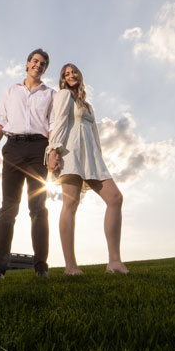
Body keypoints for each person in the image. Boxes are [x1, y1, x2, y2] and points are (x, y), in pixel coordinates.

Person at [46, 63, 128, 275]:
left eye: (74, 72)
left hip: (91, 158)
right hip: (71, 154)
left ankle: (114, 262)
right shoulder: (64, 95)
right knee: (70, 204)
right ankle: (70, 266)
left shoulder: (87, 105)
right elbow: (60, 123)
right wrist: (53, 151)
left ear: (80, 75)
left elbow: (94, 135)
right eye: (66, 73)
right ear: (63, 79)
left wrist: (99, 159)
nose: (71, 75)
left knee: (115, 198)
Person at [0, 48, 55, 279]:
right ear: (27, 64)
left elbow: (53, 125)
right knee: (8, 208)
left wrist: (53, 151)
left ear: (45, 69)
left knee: (38, 208)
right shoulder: (10, 91)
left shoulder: (50, 94)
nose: (38, 65)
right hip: (13, 148)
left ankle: (41, 268)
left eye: (43, 63)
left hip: (38, 149)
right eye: (35, 61)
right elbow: (0, 121)